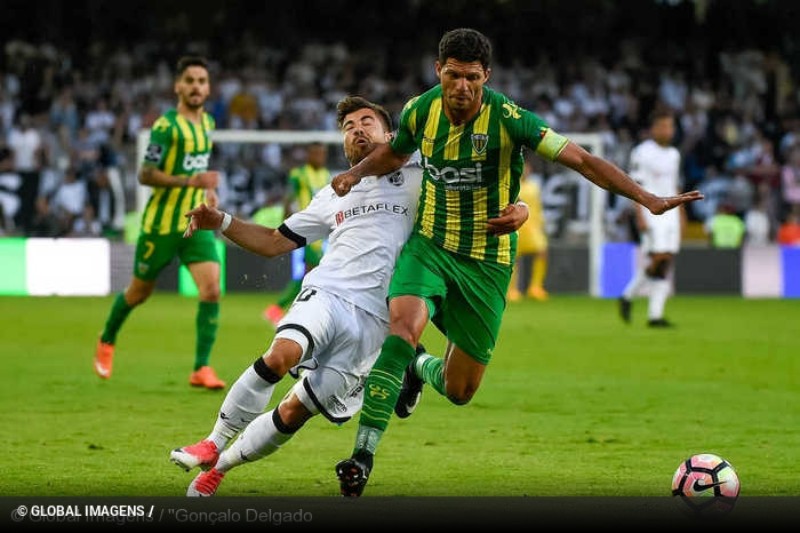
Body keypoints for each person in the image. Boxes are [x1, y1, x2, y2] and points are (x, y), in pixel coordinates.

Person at [330, 28, 703, 497]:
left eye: (472, 77)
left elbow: (582, 160)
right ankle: (362, 457)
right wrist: (355, 173)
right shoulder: (419, 110)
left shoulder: (510, 119)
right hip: (431, 247)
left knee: (460, 389)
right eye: (453, 75)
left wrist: (647, 198)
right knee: (401, 329)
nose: (461, 87)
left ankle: (418, 367)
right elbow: (395, 152)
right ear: (438, 71)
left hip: (487, 264)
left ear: (486, 76)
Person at [170, 96, 488, 497]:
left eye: (367, 122)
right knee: (281, 354)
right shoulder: (332, 194)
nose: (357, 130)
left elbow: (478, 186)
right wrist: (222, 221)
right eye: (348, 127)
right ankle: (213, 442)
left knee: (294, 411)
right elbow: (273, 242)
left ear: (391, 134)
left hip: (375, 324)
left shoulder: (422, 177)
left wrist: (521, 206)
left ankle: (221, 468)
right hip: (328, 292)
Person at [93, 56, 226, 389]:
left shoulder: (208, 123)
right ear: (178, 86)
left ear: (208, 88)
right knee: (139, 293)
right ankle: (107, 338)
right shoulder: (166, 127)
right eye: (190, 81)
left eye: (202, 81)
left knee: (212, 289)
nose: (196, 87)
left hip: (194, 222)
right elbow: (146, 174)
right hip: (160, 226)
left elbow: (199, 168)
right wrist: (190, 182)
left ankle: (201, 367)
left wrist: (208, 191)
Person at [618, 108, 687, 328]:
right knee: (659, 258)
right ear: (653, 128)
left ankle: (654, 315)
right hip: (651, 211)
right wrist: (639, 214)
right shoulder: (642, 152)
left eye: (671, 126)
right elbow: (635, 186)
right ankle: (628, 294)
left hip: (671, 214)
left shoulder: (674, 155)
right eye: (664, 126)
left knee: (666, 263)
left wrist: (682, 214)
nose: (668, 131)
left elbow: (675, 186)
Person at [262, 142, 331, 326]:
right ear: (309, 155)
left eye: (322, 154)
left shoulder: (325, 175)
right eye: (316, 154)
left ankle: (282, 310)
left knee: (310, 274)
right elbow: (288, 198)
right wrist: (288, 225)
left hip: (321, 232)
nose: (320, 157)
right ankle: (282, 309)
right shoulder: (299, 174)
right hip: (305, 230)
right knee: (313, 272)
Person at [507, 155, 549, 302]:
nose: (526, 170)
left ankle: (535, 287)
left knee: (542, 252)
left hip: (533, 228)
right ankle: (512, 290)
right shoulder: (512, 185)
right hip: (517, 227)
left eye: (528, 168)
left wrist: (542, 224)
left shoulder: (534, 186)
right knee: (513, 258)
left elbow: (538, 208)